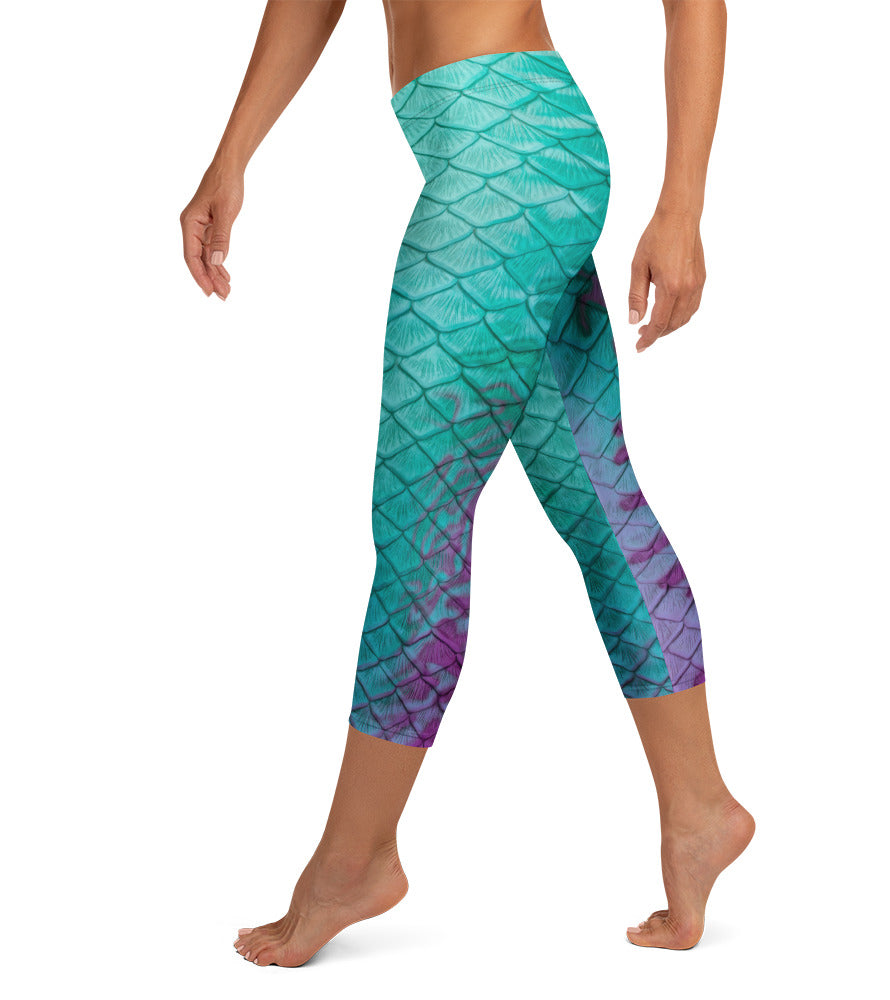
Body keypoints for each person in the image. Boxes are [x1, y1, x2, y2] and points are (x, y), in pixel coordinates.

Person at [180, 0, 751, 967]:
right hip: (498, 155)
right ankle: (700, 810)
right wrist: (232, 155)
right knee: (597, 497)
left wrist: (683, 205)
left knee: (420, 520)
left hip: (506, 163)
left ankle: (354, 860)